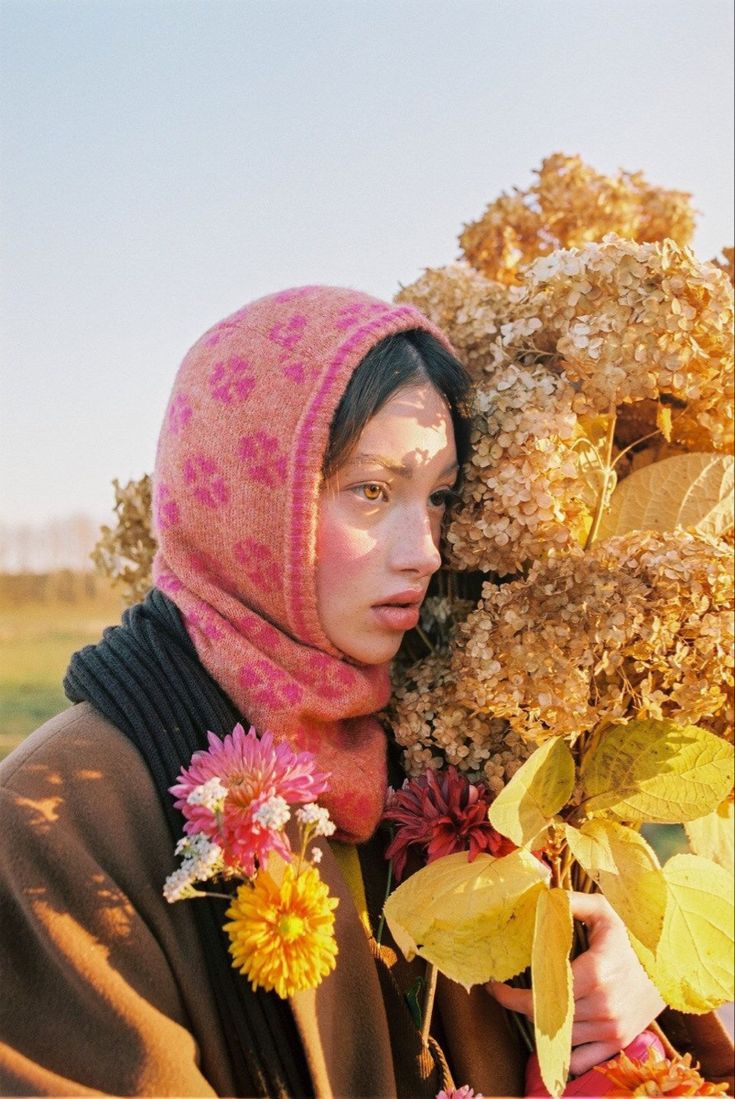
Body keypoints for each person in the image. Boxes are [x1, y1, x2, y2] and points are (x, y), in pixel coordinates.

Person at [0, 286, 731, 1098]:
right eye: (372, 491)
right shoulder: (54, 824)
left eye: (439, 495)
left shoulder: (464, 743)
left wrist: (631, 989)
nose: (422, 550)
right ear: (245, 498)